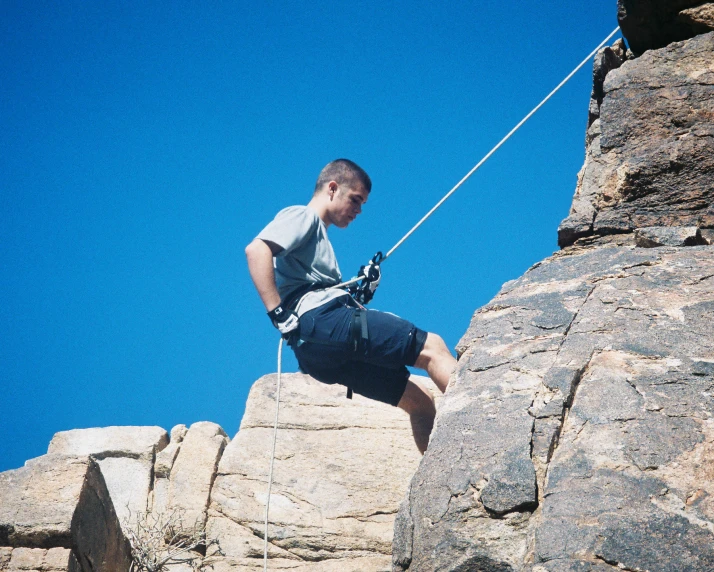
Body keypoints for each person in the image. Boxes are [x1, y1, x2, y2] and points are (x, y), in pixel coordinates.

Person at [245, 159, 456, 453]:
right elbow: (257, 250)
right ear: (332, 188)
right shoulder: (302, 216)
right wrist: (278, 313)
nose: (358, 210)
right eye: (355, 200)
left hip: (316, 351)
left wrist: (361, 292)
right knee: (432, 347)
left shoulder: (316, 239)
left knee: (419, 404)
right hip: (320, 322)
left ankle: (439, 479)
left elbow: (316, 290)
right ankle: (486, 422)